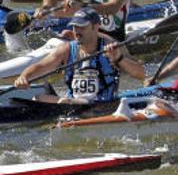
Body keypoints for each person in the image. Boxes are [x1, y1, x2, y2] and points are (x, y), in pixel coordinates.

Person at [14, 8, 143, 104]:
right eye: (75, 26)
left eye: (82, 27)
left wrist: (118, 58)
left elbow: (141, 74)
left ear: (96, 27)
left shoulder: (111, 45)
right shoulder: (66, 49)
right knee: (38, 99)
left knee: (62, 102)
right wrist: (24, 76)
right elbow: (41, 65)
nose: (77, 31)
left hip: (103, 105)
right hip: (72, 104)